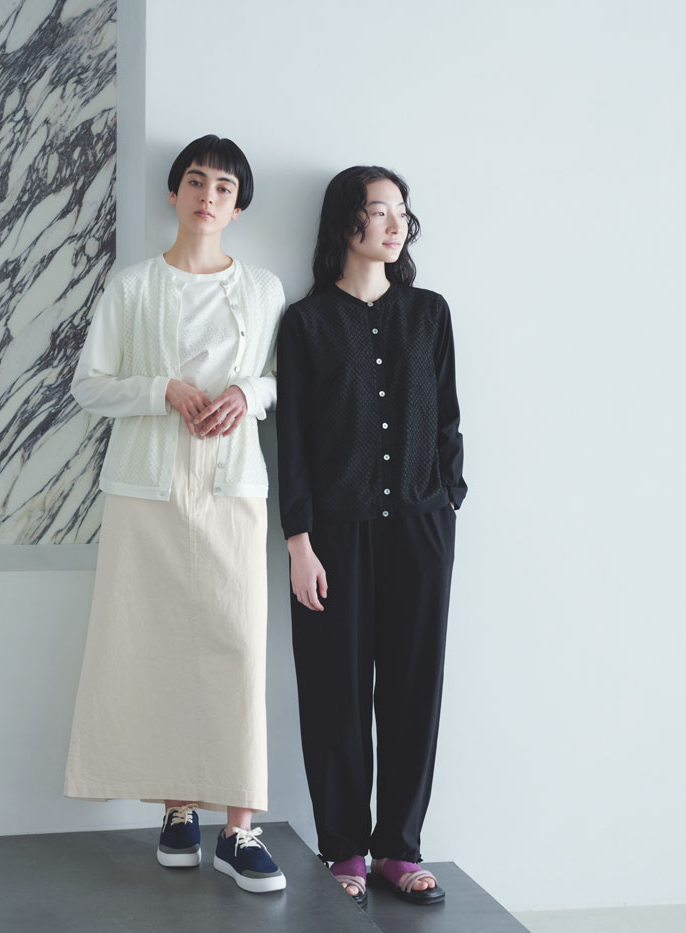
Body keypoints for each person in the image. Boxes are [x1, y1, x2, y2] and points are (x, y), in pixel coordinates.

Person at [64, 135, 287, 894]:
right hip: (146, 487)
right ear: (174, 192)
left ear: (238, 204)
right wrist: (161, 389)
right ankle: (177, 810)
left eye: (224, 187)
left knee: (238, 646)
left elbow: (282, 379)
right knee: (156, 644)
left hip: (232, 485)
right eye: (196, 181)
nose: (208, 196)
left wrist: (246, 394)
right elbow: (89, 385)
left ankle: (239, 827)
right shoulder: (133, 286)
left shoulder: (264, 289)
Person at [275, 165, 465, 907]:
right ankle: (346, 849)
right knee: (336, 691)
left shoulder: (429, 313)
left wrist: (448, 499)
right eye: (380, 210)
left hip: (420, 526)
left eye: (402, 212)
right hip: (333, 534)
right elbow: (291, 441)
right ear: (345, 221)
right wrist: (299, 540)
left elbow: (447, 416)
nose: (396, 224)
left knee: (415, 689)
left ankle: (399, 849)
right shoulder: (306, 323)